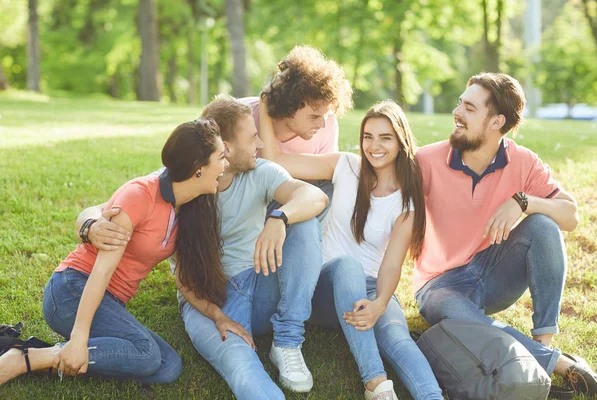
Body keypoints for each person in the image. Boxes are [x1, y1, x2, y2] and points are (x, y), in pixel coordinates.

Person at [75, 96, 328, 399]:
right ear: (226, 149)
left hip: (258, 285)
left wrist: (279, 217)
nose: (260, 143)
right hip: (207, 299)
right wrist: (90, 227)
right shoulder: (180, 181)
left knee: (304, 221)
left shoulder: (261, 172)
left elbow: (313, 196)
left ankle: (287, 339)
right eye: (253, 137)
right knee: (243, 368)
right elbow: (99, 209)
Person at [0, 119, 229, 385]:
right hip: (73, 291)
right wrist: (80, 336)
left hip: (110, 303)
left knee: (167, 367)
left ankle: (56, 354)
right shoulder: (140, 195)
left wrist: (218, 316)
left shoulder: (188, 207)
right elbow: (102, 270)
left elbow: (184, 280)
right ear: (198, 169)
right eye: (221, 158)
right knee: (146, 354)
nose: (225, 166)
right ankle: (25, 359)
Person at [414, 72, 597, 395]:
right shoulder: (427, 160)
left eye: (469, 108)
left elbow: (570, 216)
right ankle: (555, 364)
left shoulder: (523, 161)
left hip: (492, 273)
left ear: (496, 122)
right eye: (460, 103)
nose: (457, 112)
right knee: (452, 308)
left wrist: (524, 202)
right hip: (438, 285)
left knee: (543, 224)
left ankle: (543, 340)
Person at [260, 99, 443, 400]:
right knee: (347, 266)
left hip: (373, 287)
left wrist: (380, 304)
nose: (374, 146)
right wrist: (268, 107)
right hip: (325, 285)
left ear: (400, 141)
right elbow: (276, 160)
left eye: (385, 138)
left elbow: (391, 265)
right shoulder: (344, 166)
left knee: (398, 340)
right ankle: (376, 383)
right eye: (368, 137)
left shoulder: (407, 203)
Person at [239, 44, 353, 220]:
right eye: (314, 116)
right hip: (245, 207)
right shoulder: (241, 115)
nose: (322, 124)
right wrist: (264, 103)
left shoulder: (328, 124)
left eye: (327, 115)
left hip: (292, 207)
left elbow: (321, 190)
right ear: (289, 105)